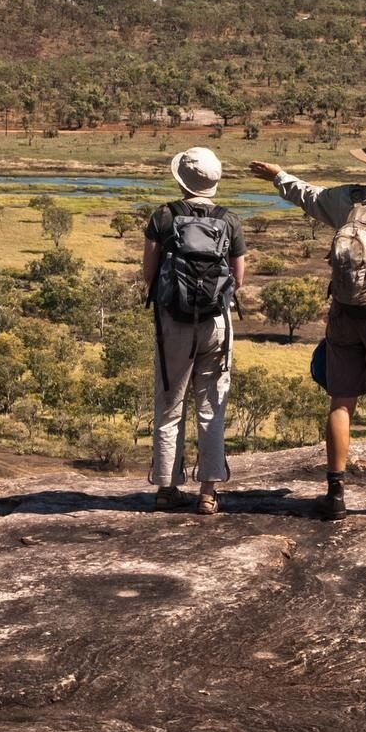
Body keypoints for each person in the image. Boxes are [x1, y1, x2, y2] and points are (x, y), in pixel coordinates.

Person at [249, 126, 366, 520]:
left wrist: (278, 176)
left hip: (342, 311)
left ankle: (334, 496)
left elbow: (308, 196)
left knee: (341, 400)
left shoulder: (346, 198)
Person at [142, 147, 247, 514]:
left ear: (181, 180)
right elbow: (239, 278)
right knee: (211, 408)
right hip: (216, 323)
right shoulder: (229, 220)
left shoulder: (163, 216)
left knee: (169, 406)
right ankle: (208, 492)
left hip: (173, 322)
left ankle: (166, 488)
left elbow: (149, 273)